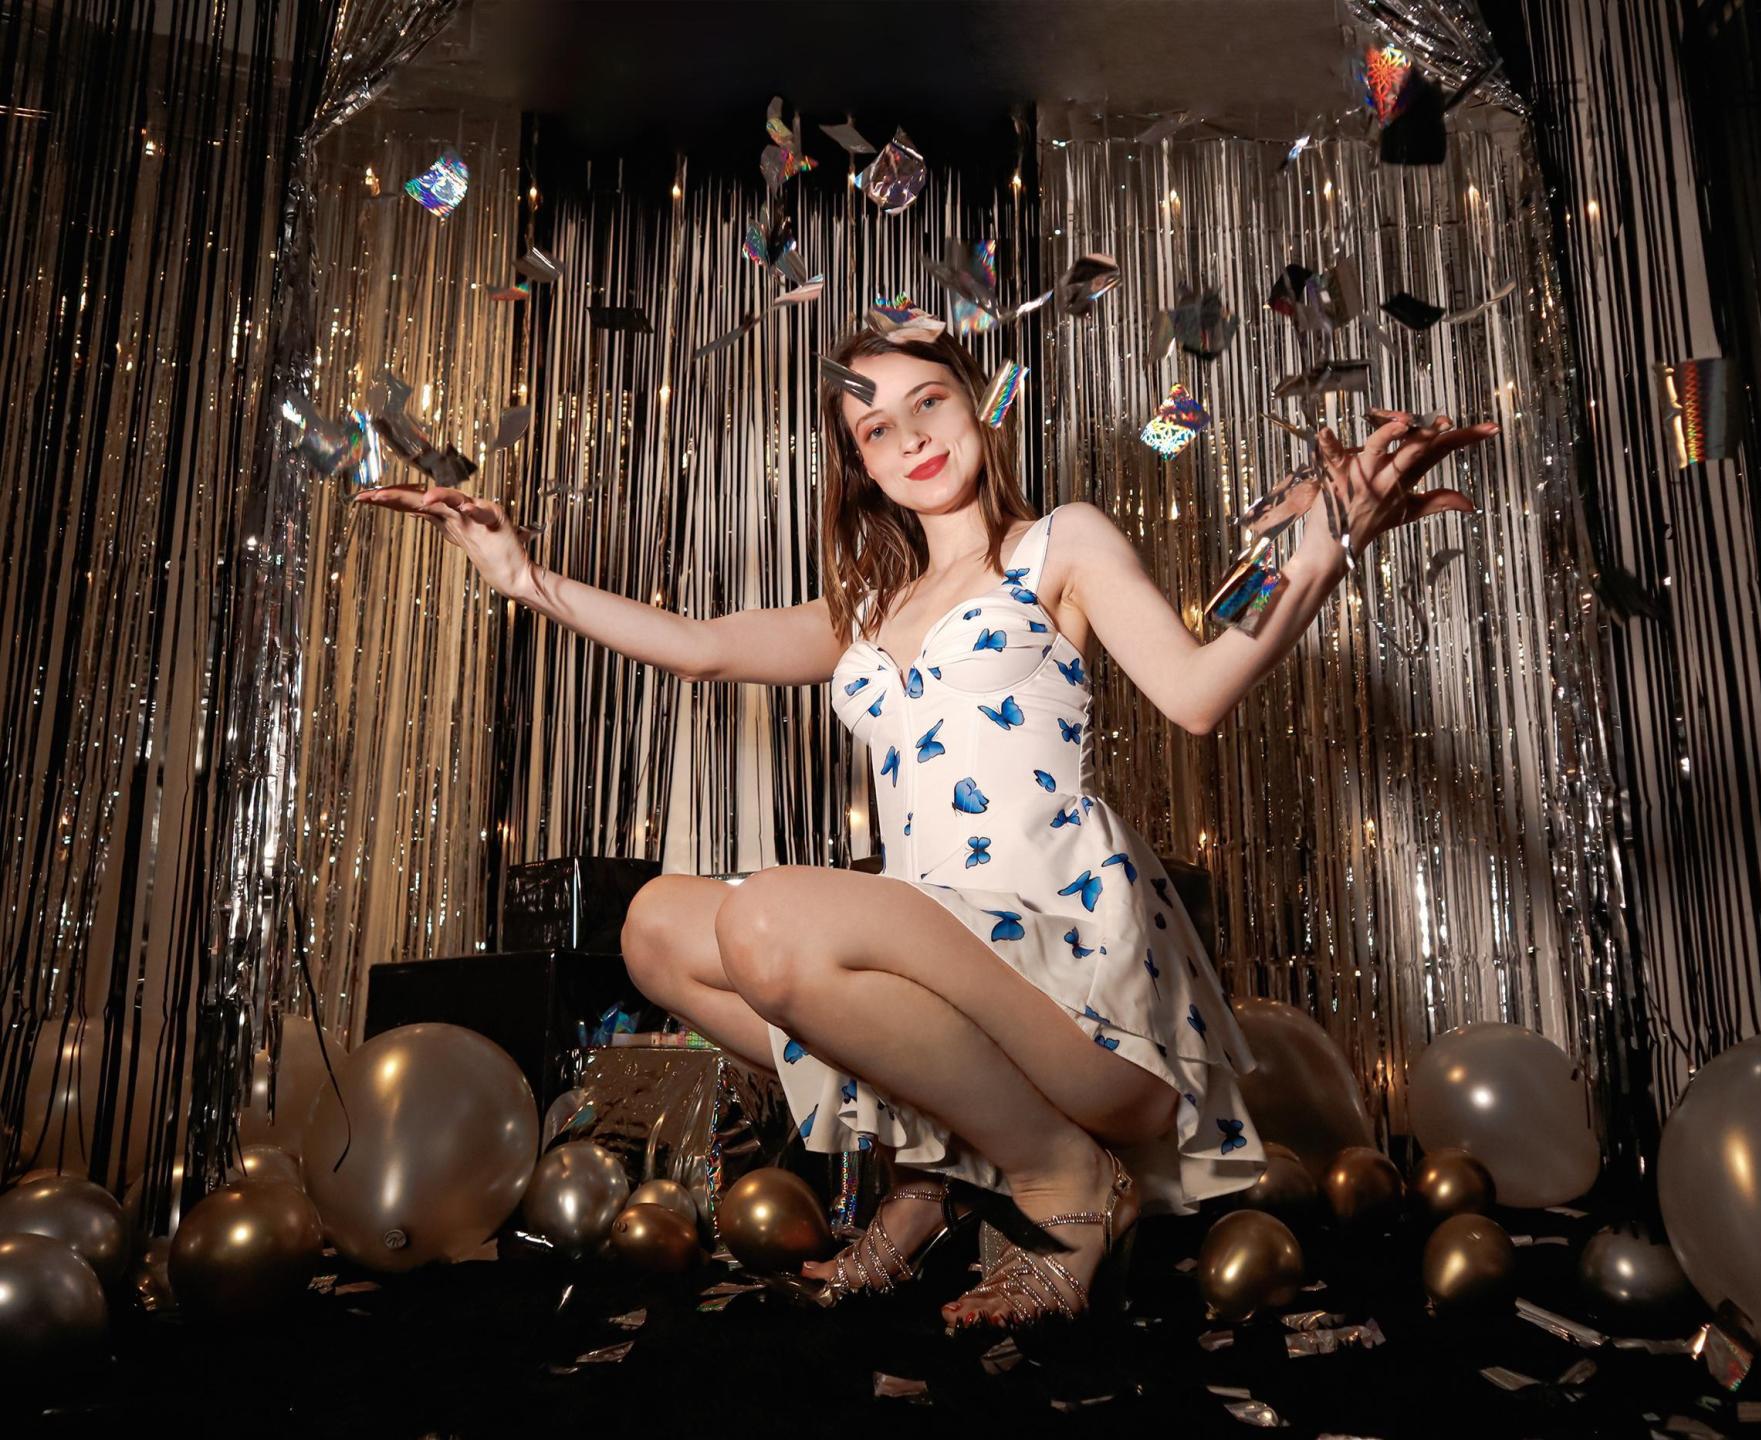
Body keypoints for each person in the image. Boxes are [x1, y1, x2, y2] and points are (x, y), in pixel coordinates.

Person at [357, 320, 1494, 1333]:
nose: (909, 439)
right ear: (860, 465)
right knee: (655, 927)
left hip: (1065, 988)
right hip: (937, 954)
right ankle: (938, 1166)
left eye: (929, 401)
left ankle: (1064, 1179)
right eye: (875, 430)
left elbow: (1197, 694)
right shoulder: (868, 608)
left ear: (979, 403)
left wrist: (1320, 548)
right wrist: (523, 578)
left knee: (766, 922)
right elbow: (701, 647)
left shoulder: (1058, 544)